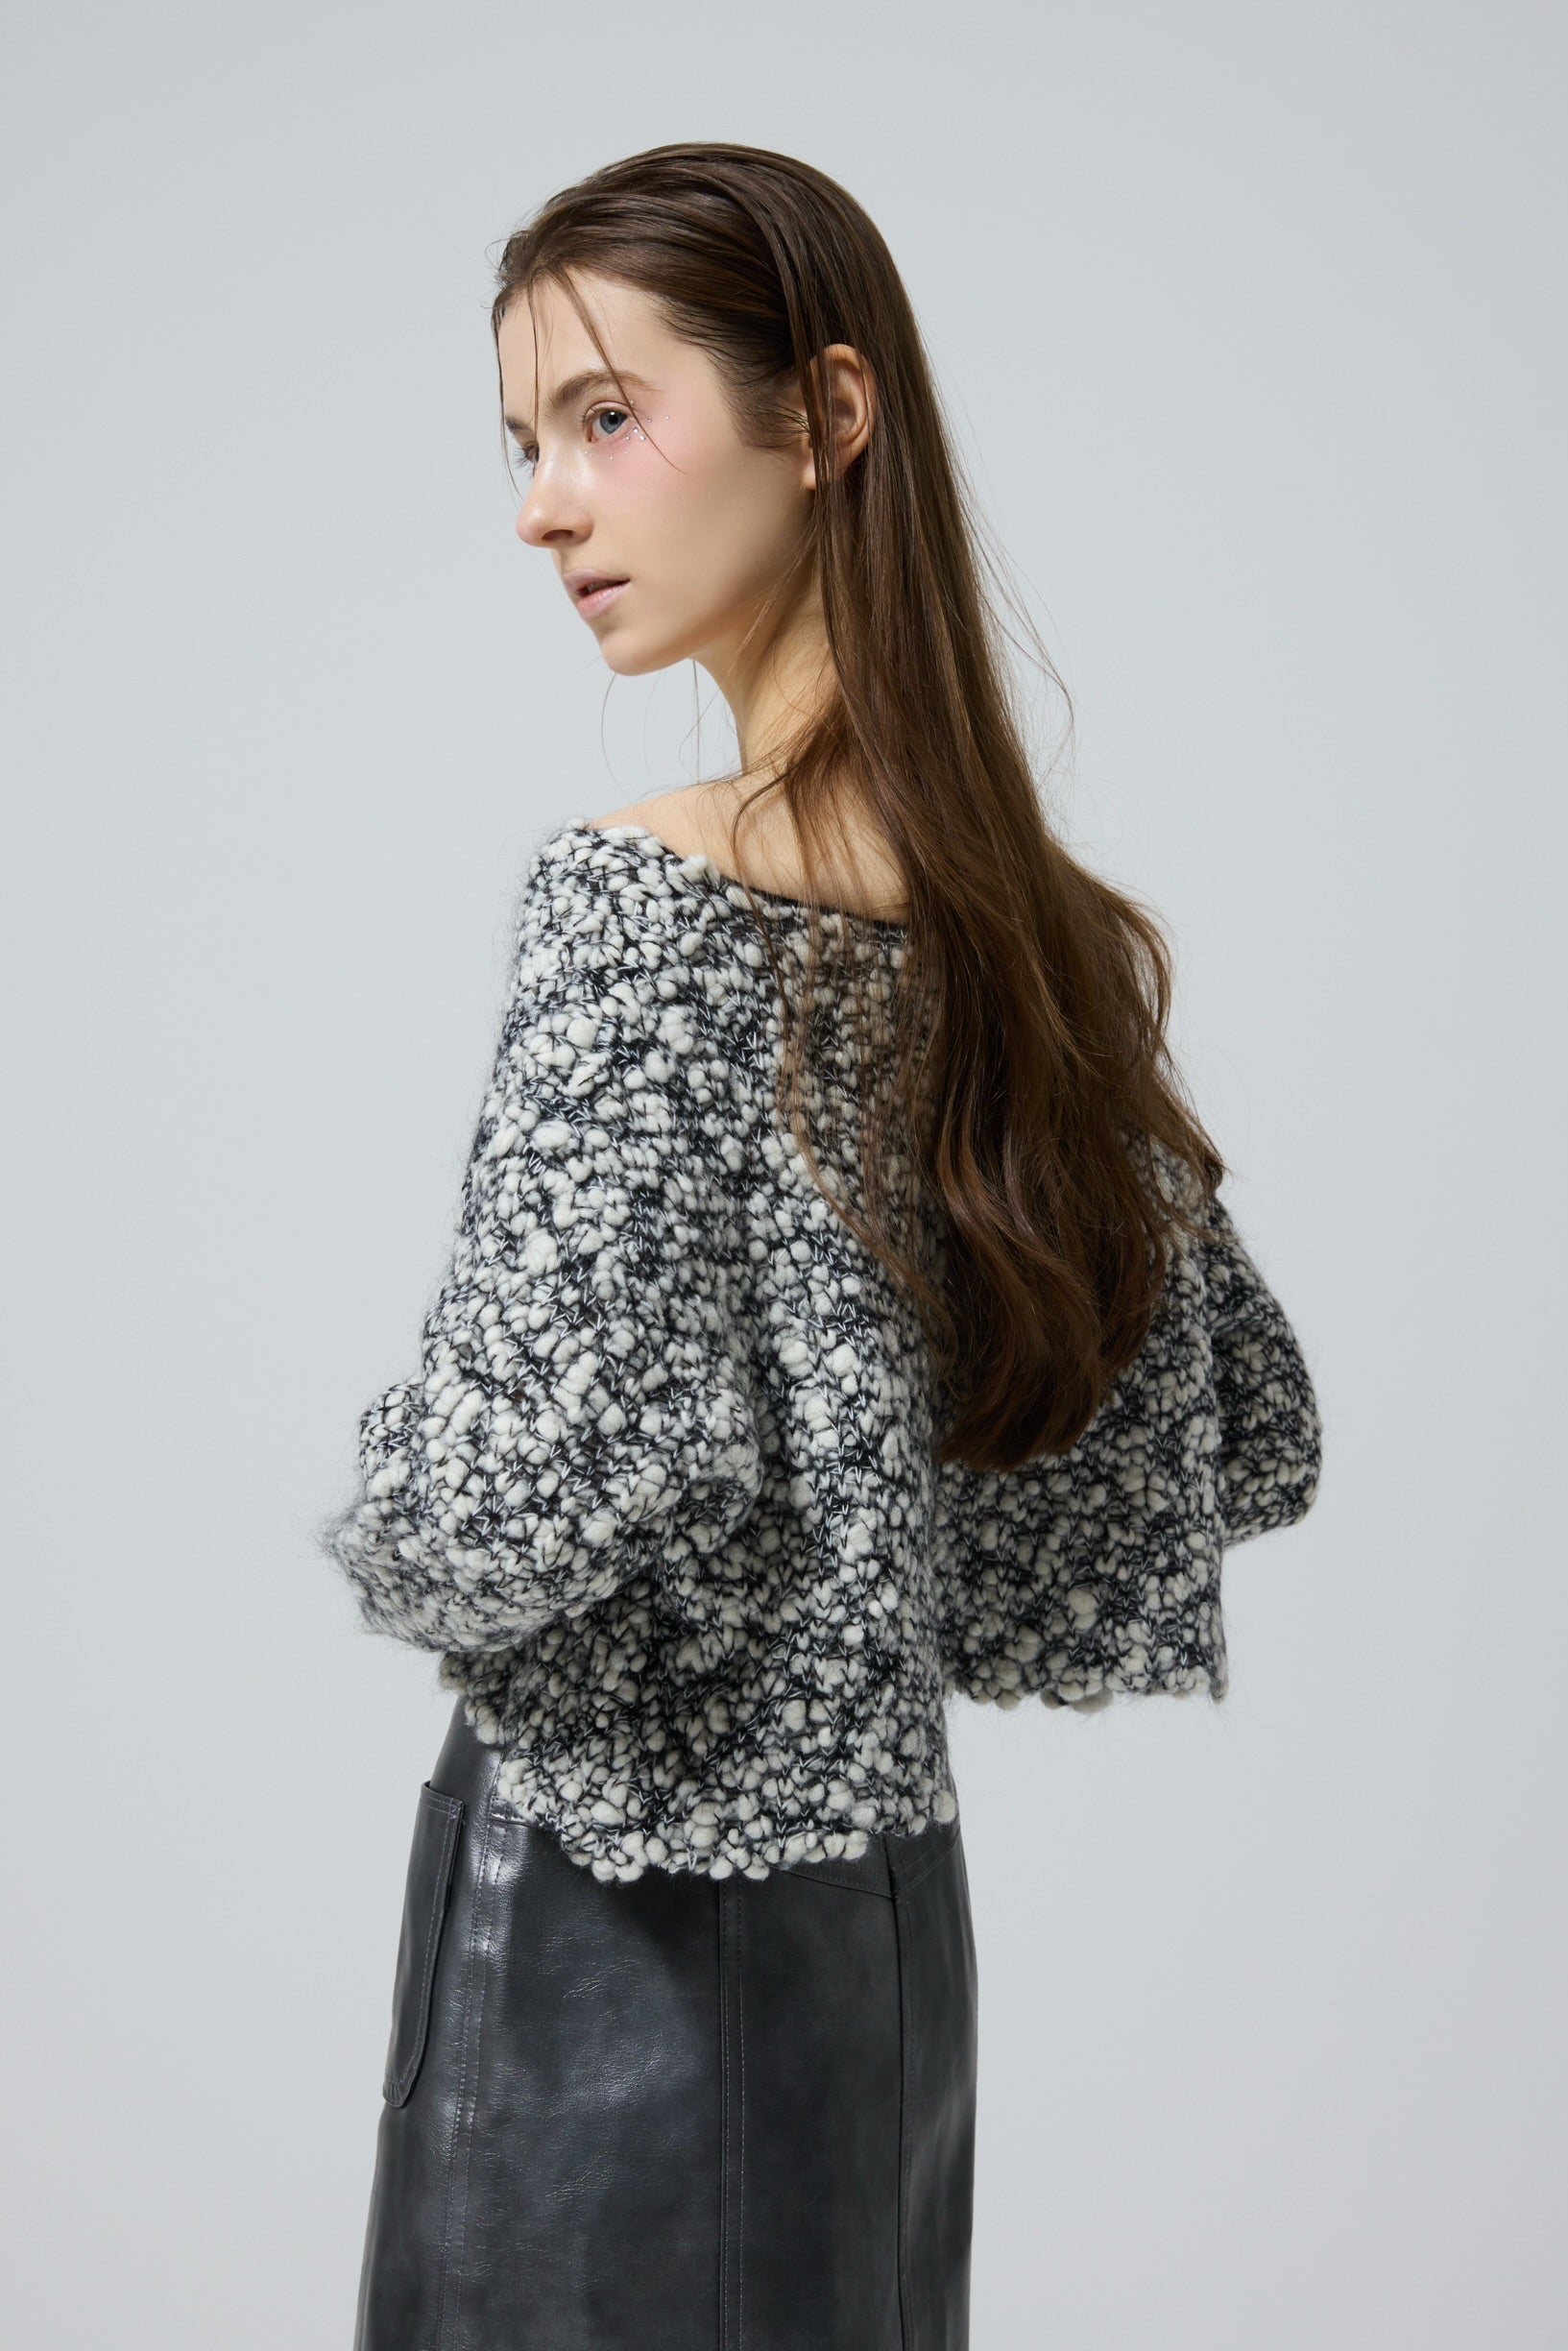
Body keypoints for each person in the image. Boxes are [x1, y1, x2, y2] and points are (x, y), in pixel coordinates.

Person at [315, 141, 1322, 2351]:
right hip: (875, 1934)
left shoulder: (644, 904)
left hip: (601, 1928)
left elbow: (500, 1502)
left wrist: (388, 1504)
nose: (543, 508)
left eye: (604, 417)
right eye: (521, 444)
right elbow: (1238, 1429)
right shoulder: (1017, 950)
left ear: (825, 415)